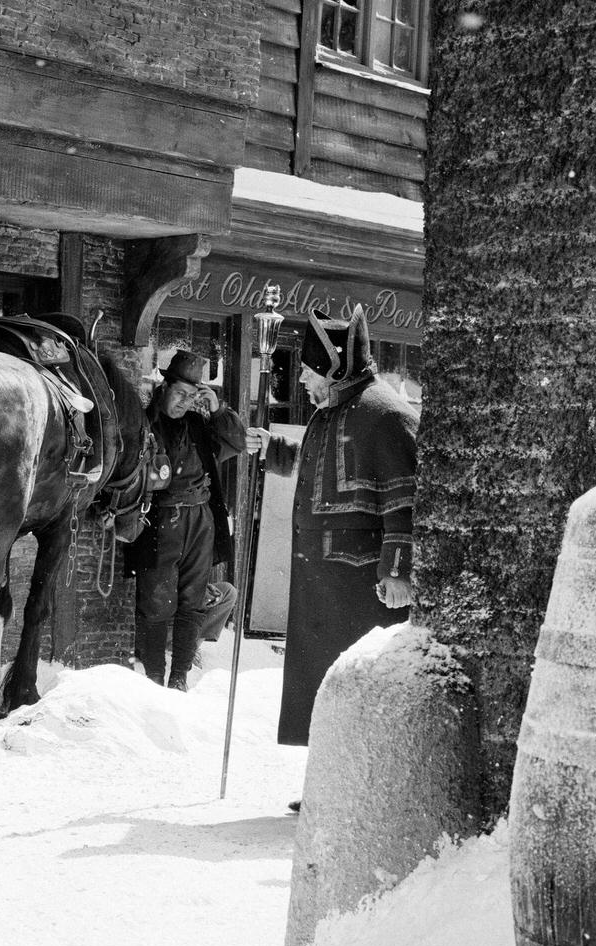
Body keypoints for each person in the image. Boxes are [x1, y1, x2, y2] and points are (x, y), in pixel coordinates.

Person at [256, 305, 417, 746]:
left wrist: (399, 571)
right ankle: (326, 786)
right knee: (321, 686)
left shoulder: (386, 415)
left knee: (358, 690)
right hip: (322, 582)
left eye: (309, 371)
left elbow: (405, 500)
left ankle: (359, 787)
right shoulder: (329, 411)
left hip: (359, 586)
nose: (303, 379)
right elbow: (323, 468)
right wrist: (273, 449)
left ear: (333, 367)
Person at [130, 349, 262, 691]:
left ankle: (179, 677)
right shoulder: (145, 424)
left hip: (200, 521)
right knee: (156, 602)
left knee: (192, 600)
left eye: (192, 397)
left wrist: (217, 408)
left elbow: (238, 440)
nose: (184, 403)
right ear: (164, 388)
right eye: (179, 394)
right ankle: (155, 677)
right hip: (159, 521)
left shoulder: (201, 426)